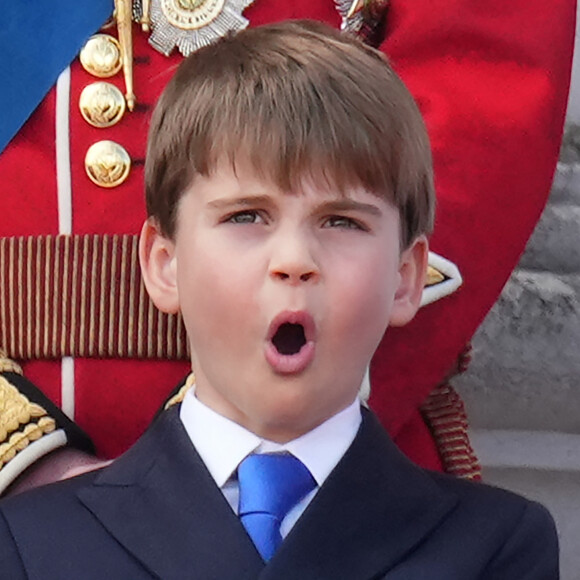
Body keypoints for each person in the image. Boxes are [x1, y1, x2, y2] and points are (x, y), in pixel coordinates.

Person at [0, 22, 558, 578]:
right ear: (163, 264)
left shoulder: (494, 546)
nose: (294, 258)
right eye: (246, 216)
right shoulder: (25, 540)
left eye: (341, 221)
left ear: (409, 276)